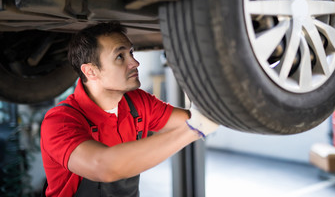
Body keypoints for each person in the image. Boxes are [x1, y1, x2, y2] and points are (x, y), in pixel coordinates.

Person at [40, 22, 219, 197]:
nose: (135, 63)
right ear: (91, 71)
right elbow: (103, 167)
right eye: (120, 56)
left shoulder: (137, 102)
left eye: (131, 52)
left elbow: (193, 119)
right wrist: (196, 127)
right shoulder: (61, 121)